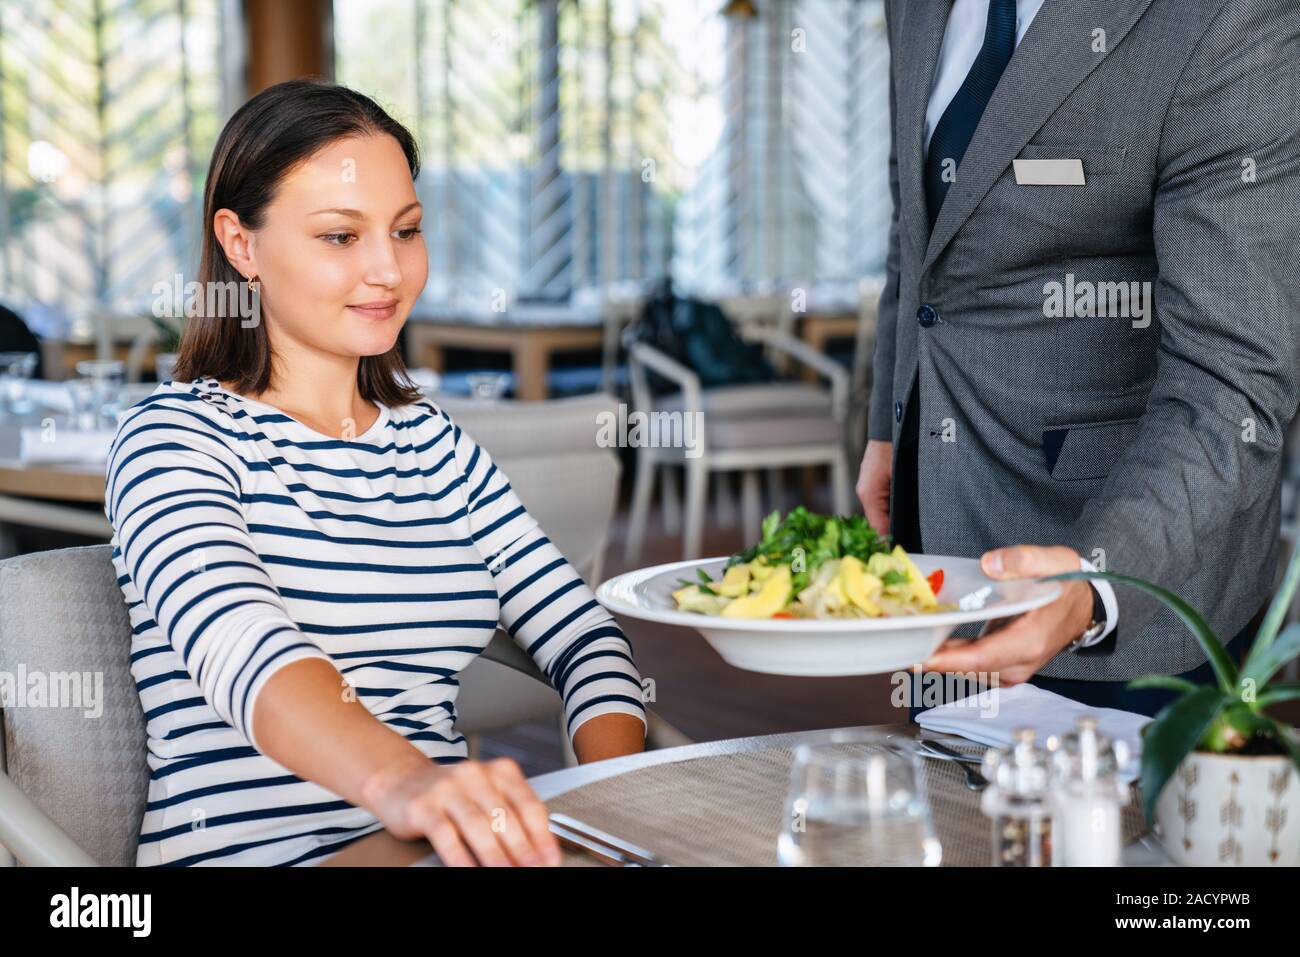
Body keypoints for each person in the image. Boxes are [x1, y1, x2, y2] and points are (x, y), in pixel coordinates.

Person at [106, 80, 647, 866]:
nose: (387, 271)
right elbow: (244, 648)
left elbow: (585, 636)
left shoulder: (434, 444)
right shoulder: (174, 439)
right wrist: (410, 784)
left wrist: (614, 812)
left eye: (406, 230)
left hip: (432, 849)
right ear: (241, 244)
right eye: (340, 236)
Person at [856, 0, 1299, 715]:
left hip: (1134, 579)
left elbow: (1231, 380)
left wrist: (1099, 579)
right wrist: (887, 427)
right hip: (935, 543)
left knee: (1109, 830)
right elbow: (914, 224)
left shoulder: (1230, 17)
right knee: (946, 816)